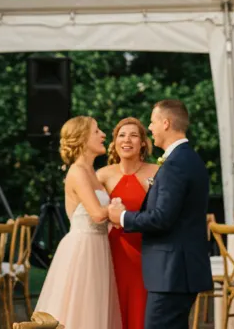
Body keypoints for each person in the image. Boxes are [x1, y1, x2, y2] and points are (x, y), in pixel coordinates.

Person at [107, 99, 212, 329]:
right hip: (178, 272)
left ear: (166, 123)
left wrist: (122, 217)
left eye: (153, 122)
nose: (150, 128)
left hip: (172, 274)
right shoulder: (186, 158)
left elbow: (162, 218)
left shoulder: (176, 164)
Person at [35, 115, 121, 329]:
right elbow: (97, 214)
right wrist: (118, 210)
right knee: (80, 309)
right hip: (83, 250)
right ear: (82, 138)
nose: (103, 135)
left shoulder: (93, 172)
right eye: (96, 131)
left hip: (100, 247)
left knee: (96, 308)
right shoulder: (77, 172)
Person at [98, 116, 159, 329]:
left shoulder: (157, 172)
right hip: (114, 252)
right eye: (121, 135)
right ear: (114, 142)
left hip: (148, 252)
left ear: (143, 142)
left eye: (134, 135)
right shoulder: (102, 175)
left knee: (142, 311)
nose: (127, 140)